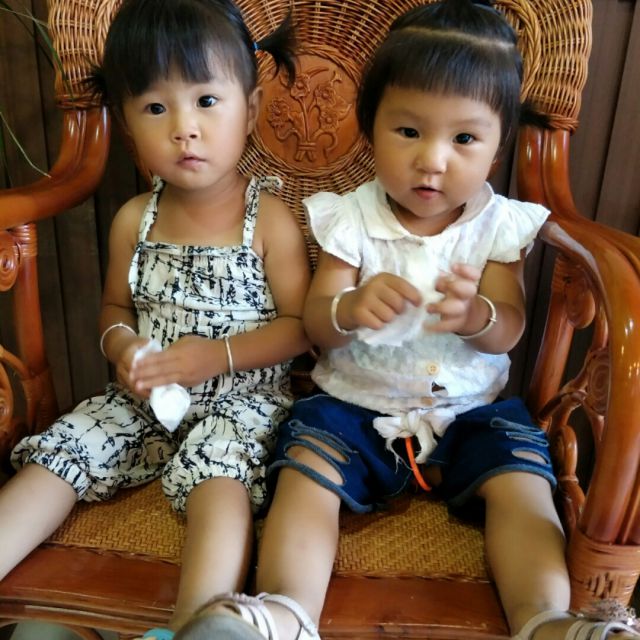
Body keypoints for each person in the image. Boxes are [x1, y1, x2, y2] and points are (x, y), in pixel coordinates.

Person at [162, 1, 640, 639]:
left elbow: (510, 328)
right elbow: (317, 323)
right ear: (371, 129)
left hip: (472, 411)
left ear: (498, 144)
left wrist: (475, 315)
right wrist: (349, 307)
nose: (433, 160)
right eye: (409, 131)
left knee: (524, 484)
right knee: (305, 479)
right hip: (351, 408)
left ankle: (545, 620)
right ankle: (284, 612)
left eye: (464, 139)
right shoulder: (351, 218)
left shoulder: (497, 225)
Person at [0, 0, 312, 638]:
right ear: (126, 122)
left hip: (240, 405)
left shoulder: (268, 219)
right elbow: (115, 311)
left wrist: (217, 356)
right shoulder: (133, 220)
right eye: (154, 108)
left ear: (251, 109)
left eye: (206, 101)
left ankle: (199, 622)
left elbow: (301, 327)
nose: (183, 129)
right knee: (64, 451)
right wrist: (124, 349)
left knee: (220, 480)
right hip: (141, 401)